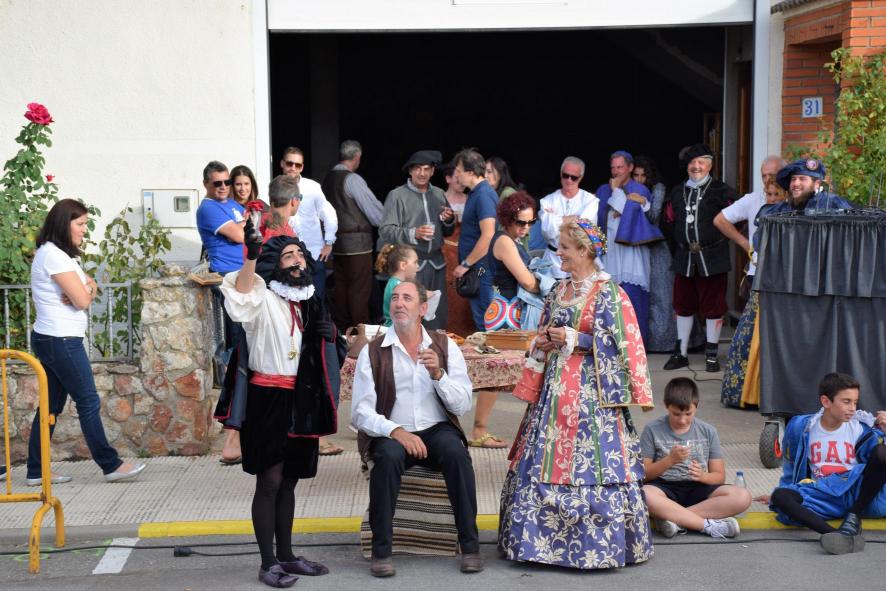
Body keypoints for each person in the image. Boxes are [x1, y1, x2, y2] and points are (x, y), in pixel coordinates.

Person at [499, 219, 654, 570]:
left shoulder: (609, 293)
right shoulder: (557, 290)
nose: (559, 253)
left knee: (592, 463)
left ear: (584, 251)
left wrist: (578, 339)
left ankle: (593, 547)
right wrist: (542, 341)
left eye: (565, 248)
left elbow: (625, 344)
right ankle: (540, 545)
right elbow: (545, 328)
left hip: (591, 395)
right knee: (543, 458)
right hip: (553, 394)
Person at [218, 221, 337, 587]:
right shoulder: (262, 300)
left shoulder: (310, 302)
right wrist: (251, 256)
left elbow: (323, 352)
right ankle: (267, 563)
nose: (298, 259)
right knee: (269, 481)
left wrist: (332, 336)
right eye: (288, 255)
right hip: (267, 399)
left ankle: (286, 556)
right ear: (275, 264)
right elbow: (240, 295)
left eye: (300, 253)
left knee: (289, 482)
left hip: (302, 399)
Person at [351, 280, 482, 577]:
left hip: (437, 429)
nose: (399, 303)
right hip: (392, 432)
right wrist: (396, 431)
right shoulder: (373, 351)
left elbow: (462, 405)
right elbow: (360, 412)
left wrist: (439, 374)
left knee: (457, 454)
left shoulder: (444, 346)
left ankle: (470, 547)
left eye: (407, 298)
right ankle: (381, 552)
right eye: (395, 298)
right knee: (387, 458)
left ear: (423, 308)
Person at [26, 199, 145, 486]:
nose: (84, 230)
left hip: (55, 338)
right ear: (63, 224)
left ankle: (36, 471)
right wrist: (86, 291)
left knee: (51, 406)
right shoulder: (54, 256)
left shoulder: (60, 255)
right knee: (88, 400)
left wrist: (87, 288)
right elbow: (81, 299)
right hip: (61, 340)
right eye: (80, 224)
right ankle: (110, 465)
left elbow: (90, 286)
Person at [768, 373, 886, 555]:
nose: (852, 408)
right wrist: (787, 489)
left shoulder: (860, 428)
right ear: (826, 401)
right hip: (823, 493)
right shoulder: (801, 427)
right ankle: (835, 535)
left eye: (855, 402)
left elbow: (878, 466)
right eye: (846, 402)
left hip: (856, 491)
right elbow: (790, 466)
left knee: (882, 452)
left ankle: (853, 517)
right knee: (780, 496)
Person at [640, 377, 751, 539]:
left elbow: (719, 476)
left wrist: (703, 476)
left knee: (742, 496)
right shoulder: (652, 429)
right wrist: (669, 461)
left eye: (688, 413)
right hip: (663, 488)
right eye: (676, 414)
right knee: (644, 494)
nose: (682, 420)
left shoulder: (708, 431)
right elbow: (643, 475)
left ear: (696, 406)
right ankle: (707, 526)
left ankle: (673, 519)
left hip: (698, 489)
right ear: (666, 405)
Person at [661, 144, 738, 372]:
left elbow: (738, 219)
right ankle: (681, 353)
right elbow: (668, 221)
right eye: (692, 163)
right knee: (682, 305)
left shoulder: (722, 191)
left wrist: (720, 239)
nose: (696, 166)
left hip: (713, 257)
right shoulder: (677, 192)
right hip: (684, 257)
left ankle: (712, 355)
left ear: (710, 165)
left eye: (701, 162)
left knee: (713, 306)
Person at [719, 178, 786, 409]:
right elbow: (757, 245)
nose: (772, 199)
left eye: (777, 194)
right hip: (762, 282)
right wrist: (749, 248)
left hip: (783, 287)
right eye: (769, 194)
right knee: (749, 340)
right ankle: (748, 393)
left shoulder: (790, 215)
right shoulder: (764, 215)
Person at [378, 150, 455, 330]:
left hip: (436, 265)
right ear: (410, 171)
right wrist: (414, 233)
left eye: (427, 169)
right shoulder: (397, 195)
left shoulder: (439, 194)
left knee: (437, 316)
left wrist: (448, 220)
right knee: (411, 315)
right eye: (418, 169)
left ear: (433, 171)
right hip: (410, 267)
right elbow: (385, 230)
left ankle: (435, 347)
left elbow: (448, 231)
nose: (422, 173)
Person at [595, 150, 660, 345]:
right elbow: (597, 219)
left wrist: (617, 193)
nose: (616, 172)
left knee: (633, 299)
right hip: (610, 254)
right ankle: (611, 345)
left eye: (620, 167)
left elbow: (630, 215)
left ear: (630, 168)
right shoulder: (602, 190)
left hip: (633, 256)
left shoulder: (640, 189)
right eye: (613, 168)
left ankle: (636, 346)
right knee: (610, 300)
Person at [320, 140, 383, 327]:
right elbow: (377, 215)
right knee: (359, 291)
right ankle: (359, 334)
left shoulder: (327, 180)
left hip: (334, 246)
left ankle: (341, 333)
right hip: (358, 247)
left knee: (340, 290)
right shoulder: (352, 179)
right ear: (357, 157)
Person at [282, 147, 339, 300]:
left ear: (302, 167)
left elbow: (328, 213)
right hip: (288, 256)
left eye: (297, 165)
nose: (293, 168)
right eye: (289, 163)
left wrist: (329, 242)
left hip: (313, 254)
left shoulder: (312, 187)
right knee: (292, 303)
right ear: (282, 164)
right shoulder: (276, 188)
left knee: (317, 301)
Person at [632, 155, 676, 353]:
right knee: (644, 296)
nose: (640, 179)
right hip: (637, 248)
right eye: (636, 175)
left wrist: (642, 201)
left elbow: (653, 216)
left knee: (662, 294)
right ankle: (647, 341)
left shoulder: (658, 188)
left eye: (643, 175)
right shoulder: (628, 189)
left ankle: (665, 343)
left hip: (657, 248)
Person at [453, 148, 498, 331]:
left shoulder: (483, 195)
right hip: (478, 268)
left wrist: (466, 264)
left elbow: (488, 235)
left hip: (481, 269)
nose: (456, 175)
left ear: (470, 172)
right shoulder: (476, 193)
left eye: (458, 171)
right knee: (481, 318)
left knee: (486, 319)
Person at [538, 156, 599, 279]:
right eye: (565, 175)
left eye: (574, 177)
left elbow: (583, 231)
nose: (569, 180)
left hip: (580, 262)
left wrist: (555, 219)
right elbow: (548, 232)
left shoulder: (591, 200)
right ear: (561, 174)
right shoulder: (547, 201)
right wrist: (575, 218)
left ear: (580, 178)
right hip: (553, 262)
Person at [440, 162, 475, 337]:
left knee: (466, 294)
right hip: (446, 253)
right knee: (449, 294)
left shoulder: (471, 199)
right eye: (456, 177)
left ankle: (467, 335)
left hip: (467, 253)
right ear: (448, 178)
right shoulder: (440, 199)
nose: (460, 181)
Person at [375, 244, 419, 327]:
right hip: (396, 329)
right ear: (403, 265)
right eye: (415, 262)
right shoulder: (398, 286)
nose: (418, 266)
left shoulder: (395, 283)